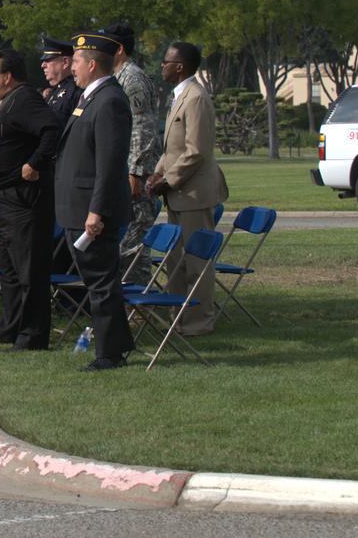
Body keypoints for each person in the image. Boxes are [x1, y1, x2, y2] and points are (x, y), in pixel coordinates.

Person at [53, 33, 135, 371]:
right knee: (96, 282)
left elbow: (110, 163)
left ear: (90, 64)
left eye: (74, 61)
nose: (71, 68)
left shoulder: (110, 100)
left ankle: (109, 354)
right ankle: (118, 343)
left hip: (93, 211)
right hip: (77, 207)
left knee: (101, 283)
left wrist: (97, 210)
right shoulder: (90, 97)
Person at [0, 50, 61, 349]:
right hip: (1, 198)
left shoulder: (25, 99)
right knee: (9, 270)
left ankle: (33, 335)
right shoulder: (8, 102)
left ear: (8, 77)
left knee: (29, 271)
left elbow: (51, 129)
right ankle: (10, 329)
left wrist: (34, 163)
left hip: (21, 199)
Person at [147, 41, 229, 336]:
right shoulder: (178, 97)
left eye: (165, 62)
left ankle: (199, 322)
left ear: (179, 67)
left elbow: (196, 151)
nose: (162, 67)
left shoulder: (195, 98)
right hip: (177, 195)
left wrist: (168, 180)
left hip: (194, 194)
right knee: (176, 262)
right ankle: (178, 320)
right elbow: (172, 149)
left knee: (196, 263)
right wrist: (156, 174)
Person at [103, 22, 163, 286]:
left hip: (133, 175)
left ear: (118, 49)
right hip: (118, 172)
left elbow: (143, 128)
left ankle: (139, 308)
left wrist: (136, 172)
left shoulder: (132, 78)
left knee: (134, 243)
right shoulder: (114, 78)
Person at [40, 37, 81, 124]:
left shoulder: (77, 90)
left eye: (48, 60)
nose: (43, 65)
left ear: (65, 62)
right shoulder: (55, 90)